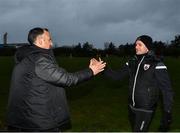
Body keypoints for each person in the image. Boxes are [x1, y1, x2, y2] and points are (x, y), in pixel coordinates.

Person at [6, 27, 106, 132]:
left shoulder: (27, 57)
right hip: (38, 122)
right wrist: (91, 71)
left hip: (25, 119)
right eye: (49, 39)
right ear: (41, 41)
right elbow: (66, 79)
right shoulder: (39, 60)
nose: (52, 43)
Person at [103, 35, 173, 132]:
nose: (136, 47)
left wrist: (167, 113)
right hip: (132, 107)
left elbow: (167, 91)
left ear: (147, 47)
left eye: (140, 44)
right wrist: (103, 67)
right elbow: (116, 76)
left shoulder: (157, 64)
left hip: (146, 109)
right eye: (136, 44)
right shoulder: (132, 62)